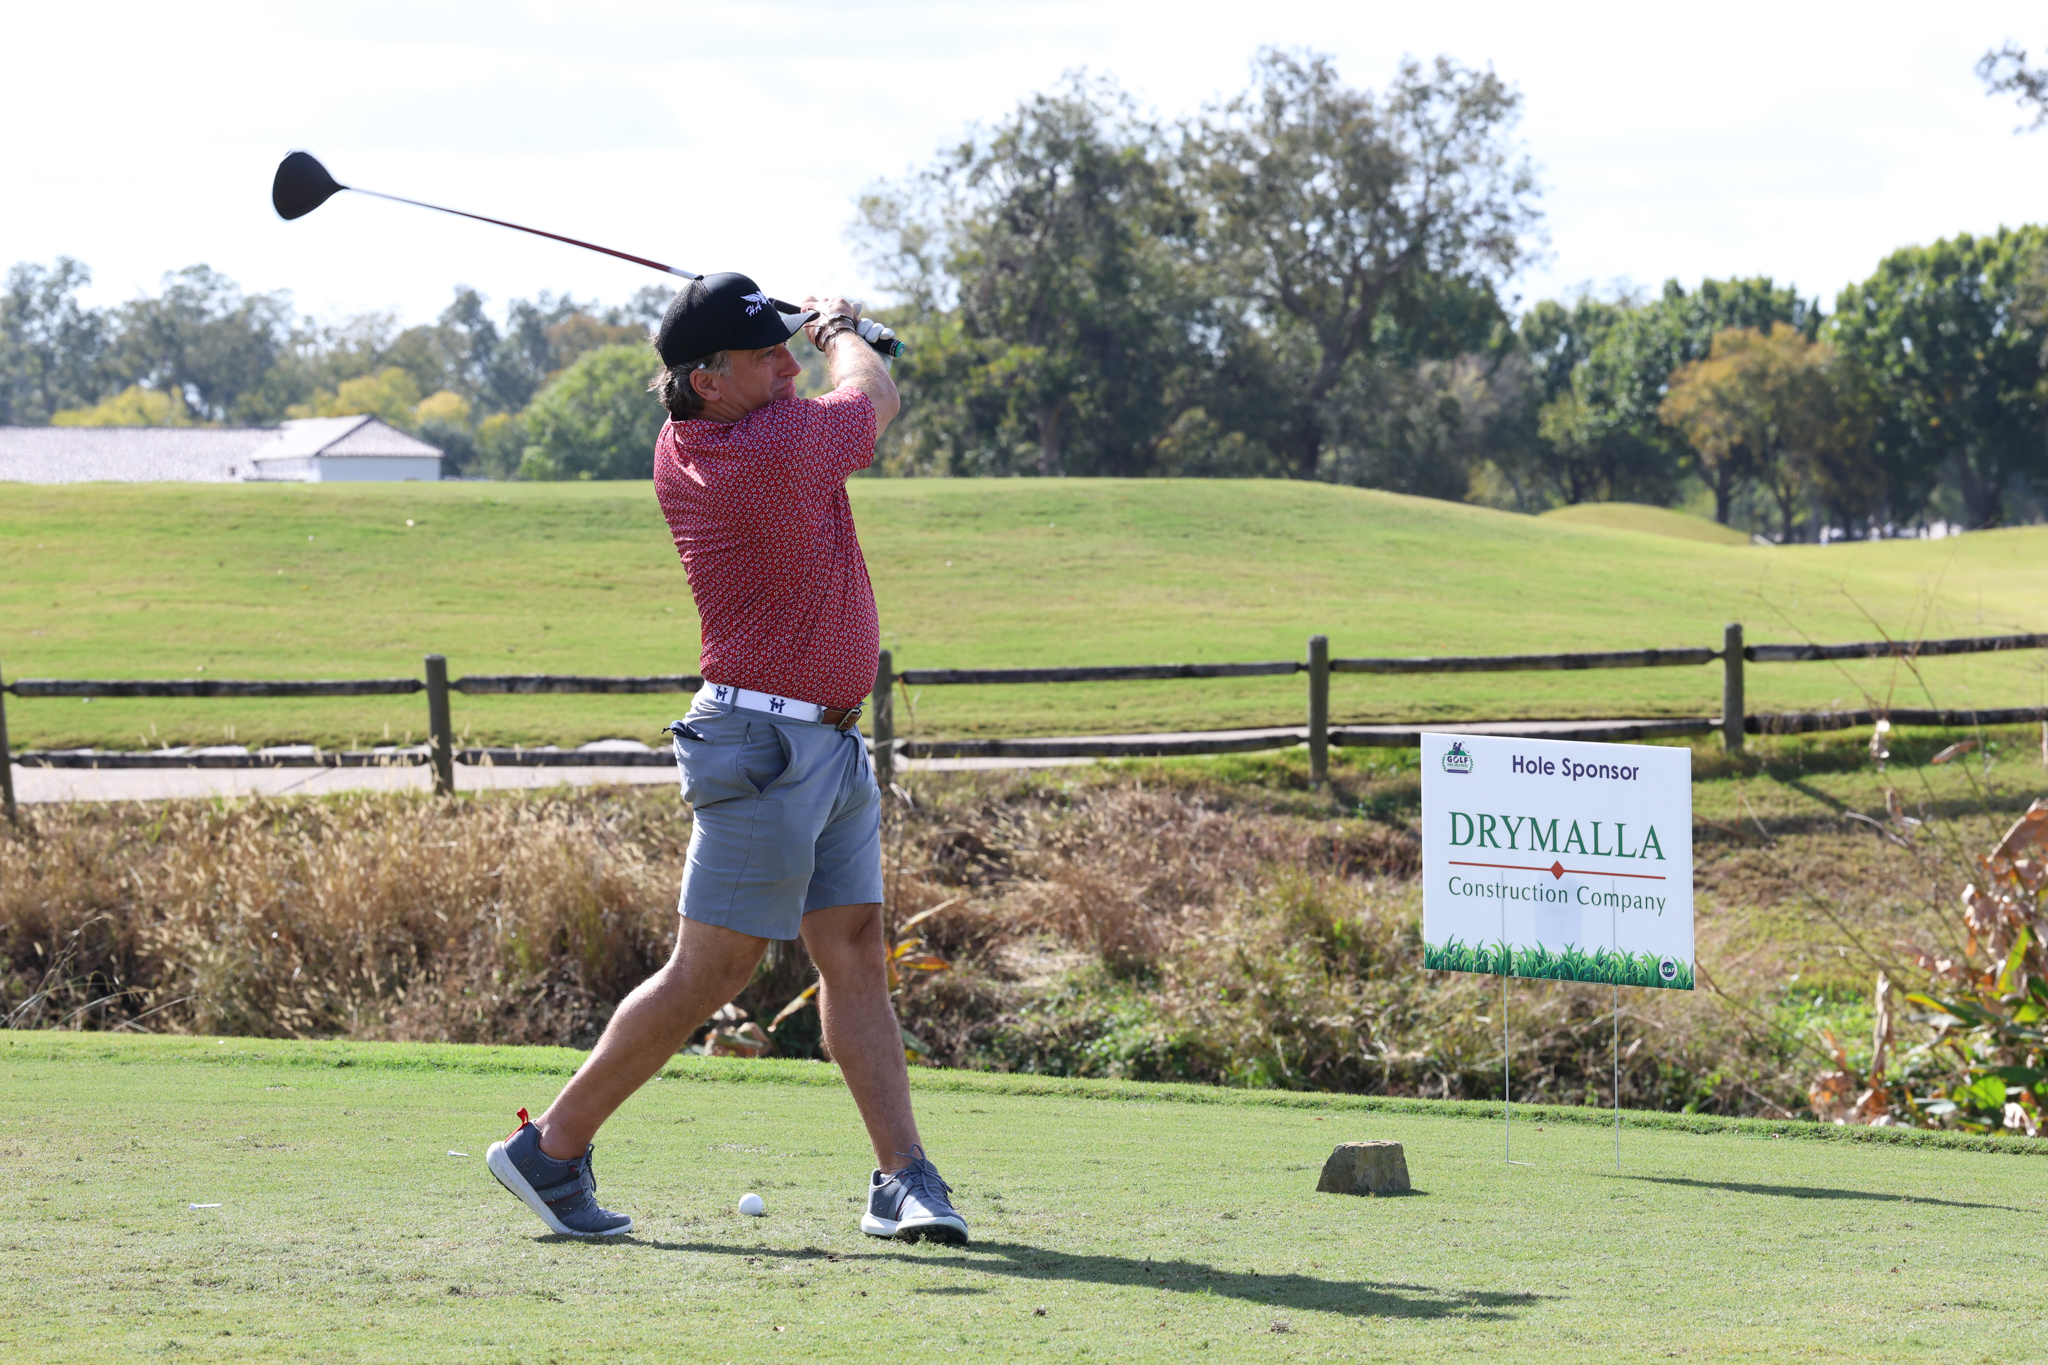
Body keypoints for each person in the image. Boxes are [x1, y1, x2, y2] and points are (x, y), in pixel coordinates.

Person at [485, 272, 965, 1245]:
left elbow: (796, 372)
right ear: (707, 381)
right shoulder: (767, 450)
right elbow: (872, 399)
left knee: (855, 951)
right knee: (712, 970)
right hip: (762, 747)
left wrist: (777, 318)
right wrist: (836, 327)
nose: (785, 368)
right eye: (763, 358)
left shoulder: (706, 429)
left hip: (826, 740)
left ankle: (901, 1178)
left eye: (784, 349)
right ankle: (553, 1148)